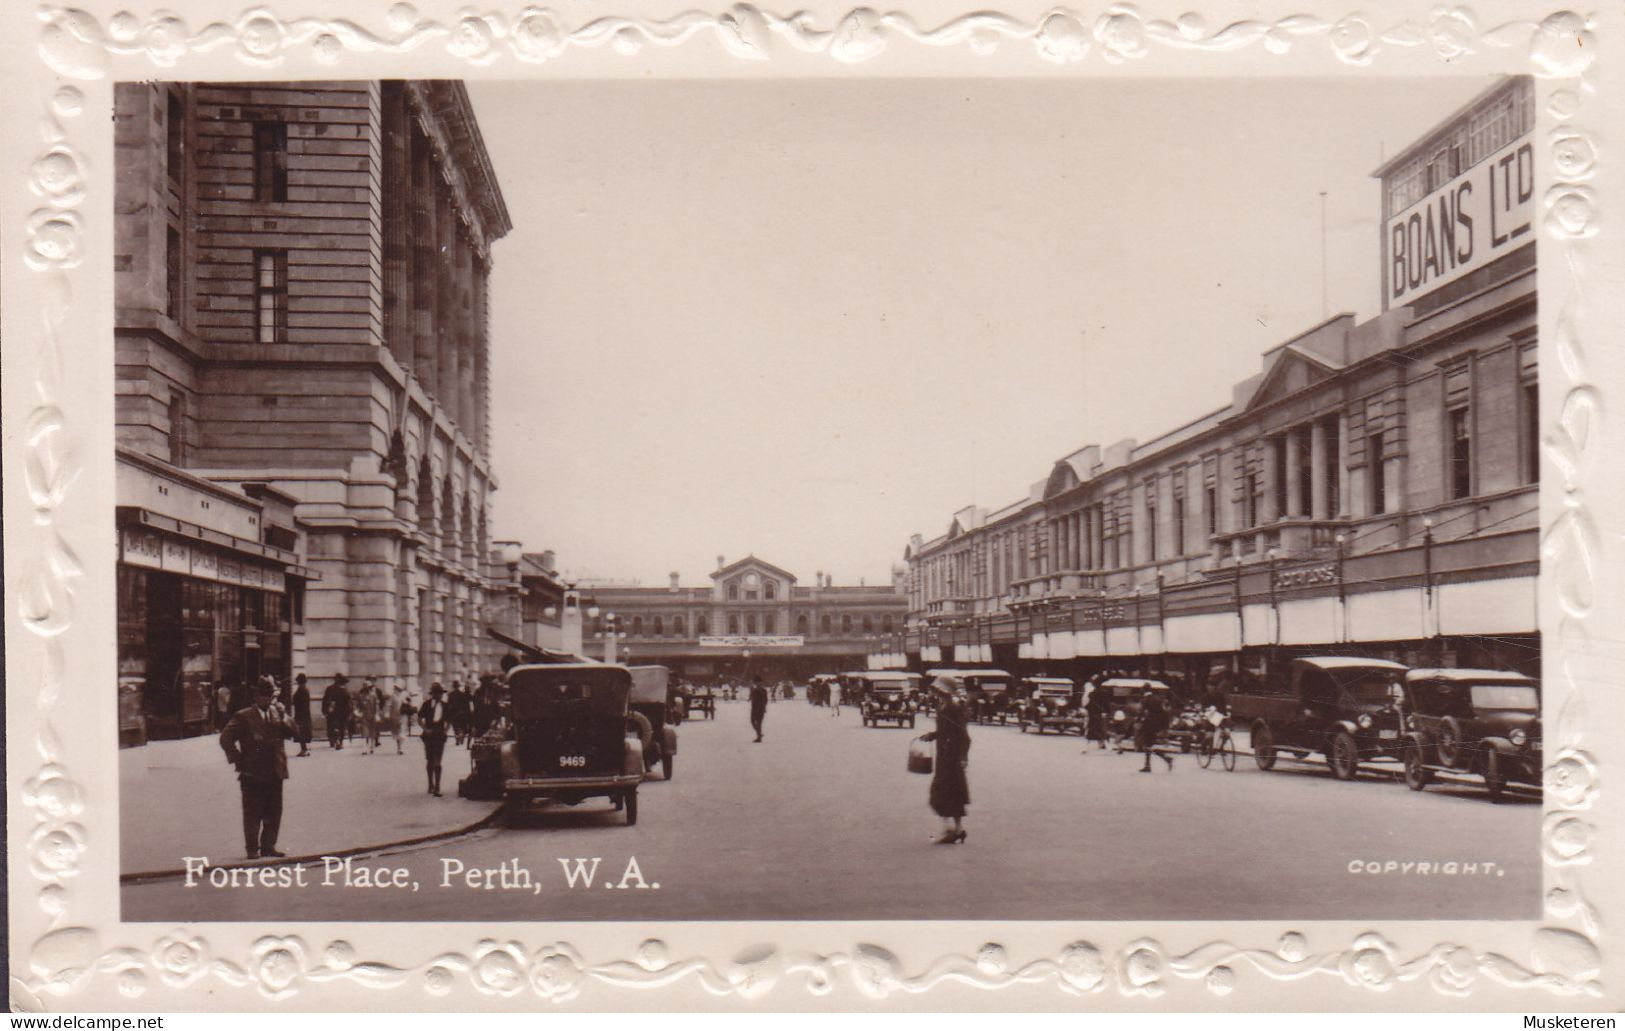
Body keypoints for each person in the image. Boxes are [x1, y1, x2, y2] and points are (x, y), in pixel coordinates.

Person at [219, 677, 296, 860]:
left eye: (269, 696)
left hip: (275, 770)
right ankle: (252, 848)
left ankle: (269, 846)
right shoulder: (244, 716)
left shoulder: (277, 714)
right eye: (263, 696)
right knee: (253, 812)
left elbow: (295, 733)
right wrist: (238, 760)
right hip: (252, 772)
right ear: (256, 697)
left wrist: (285, 716)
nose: (266, 700)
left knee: (274, 811)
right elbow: (225, 738)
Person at [920, 676, 970, 844]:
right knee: (948, 792)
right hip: (944, 756)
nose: (937, 693)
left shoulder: (954, 708)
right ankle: (958, 830)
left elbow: (964, 736)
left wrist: (963, 757)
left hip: (952, 758)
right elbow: (944, 731)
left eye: (940, 690)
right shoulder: (942, 706)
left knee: (946, 792)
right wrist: (932, 736)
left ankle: (951, 829)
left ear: (946, 692)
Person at [417, 683, 450, 796]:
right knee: (429, 760)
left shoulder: (445, 706)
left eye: (441, 693)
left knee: (438, 760)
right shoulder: (426, 704)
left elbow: (449, 720)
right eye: (438, 693)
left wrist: (446, 730)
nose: (440, 696)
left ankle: (437, 787)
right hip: (429, 736)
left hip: (440, 735)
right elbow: (419, 718)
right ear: (433, 694)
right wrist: (425, 729)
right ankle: (430, 784)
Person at [1135, 690, 1174, 772]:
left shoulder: (1146, 700)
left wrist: (1138, 720)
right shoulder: (1158, 699)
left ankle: (1165, 758)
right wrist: (1164, 727)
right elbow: (1165, 712)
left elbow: (1141, 712)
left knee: (1146, 744)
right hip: (1157, 725)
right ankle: (1150, 764)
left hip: (1148, 725)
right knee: (1149, 745)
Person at [321, 674, 351, 750]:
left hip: (334, 712)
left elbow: (326, 701)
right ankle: (339, 742)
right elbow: (349, 702)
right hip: (341, 712)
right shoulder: (344, 690)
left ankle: (334, 741)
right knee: (340, 727)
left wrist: (325, 710)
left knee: (333, 726)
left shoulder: (331, 689)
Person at [357, 676, 382, 754]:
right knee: (364, 733)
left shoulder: (374, 695)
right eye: (365, 688)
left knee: (372, 732)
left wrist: (377, 714)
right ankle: (364, 749)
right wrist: (358, 713)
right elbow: (358, 706)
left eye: (368, 688)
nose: (367, 689)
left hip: (372, 715)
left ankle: (371, 747)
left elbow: (376, 705)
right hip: (364, 716)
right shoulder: (361, 696)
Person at [291, 673, 313, 757]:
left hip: (301, 714)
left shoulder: (301, 690)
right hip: (304, 714)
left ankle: (303, 750)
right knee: (303, 732)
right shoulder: (305, 689)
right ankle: (304, 749)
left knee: (301, 732)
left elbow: (299, 702)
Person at [447, 681, 471, 745]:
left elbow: (448, 705)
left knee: (455, 727)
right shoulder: (461, 694)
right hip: (461, 713)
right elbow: (464, 704)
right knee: (461, 726)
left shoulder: (451, 694)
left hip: (453, 713)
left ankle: (457, 739)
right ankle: (461, 737)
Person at [386, 681, 408, 755]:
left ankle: (401, 748)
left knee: (402, 731)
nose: (398, 689)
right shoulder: (392, 696)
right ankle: (398, 747)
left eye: (399, 688)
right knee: (396, 732)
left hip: (403, 716)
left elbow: (409, 704)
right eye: (396, 688)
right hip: (394, 716)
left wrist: (406, 703)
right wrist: (388, 714)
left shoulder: (405, 694)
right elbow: (389, 705)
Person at [748, 676, 768, 742]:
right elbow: (765, 700)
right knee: (758, 723)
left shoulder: (757, 689)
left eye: (754, 682)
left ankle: (759, 736)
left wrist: (751, 689)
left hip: (756, 708)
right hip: (761, 708)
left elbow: (753, 697)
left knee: (753, 721)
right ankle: (759, 735)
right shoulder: (763, 689)